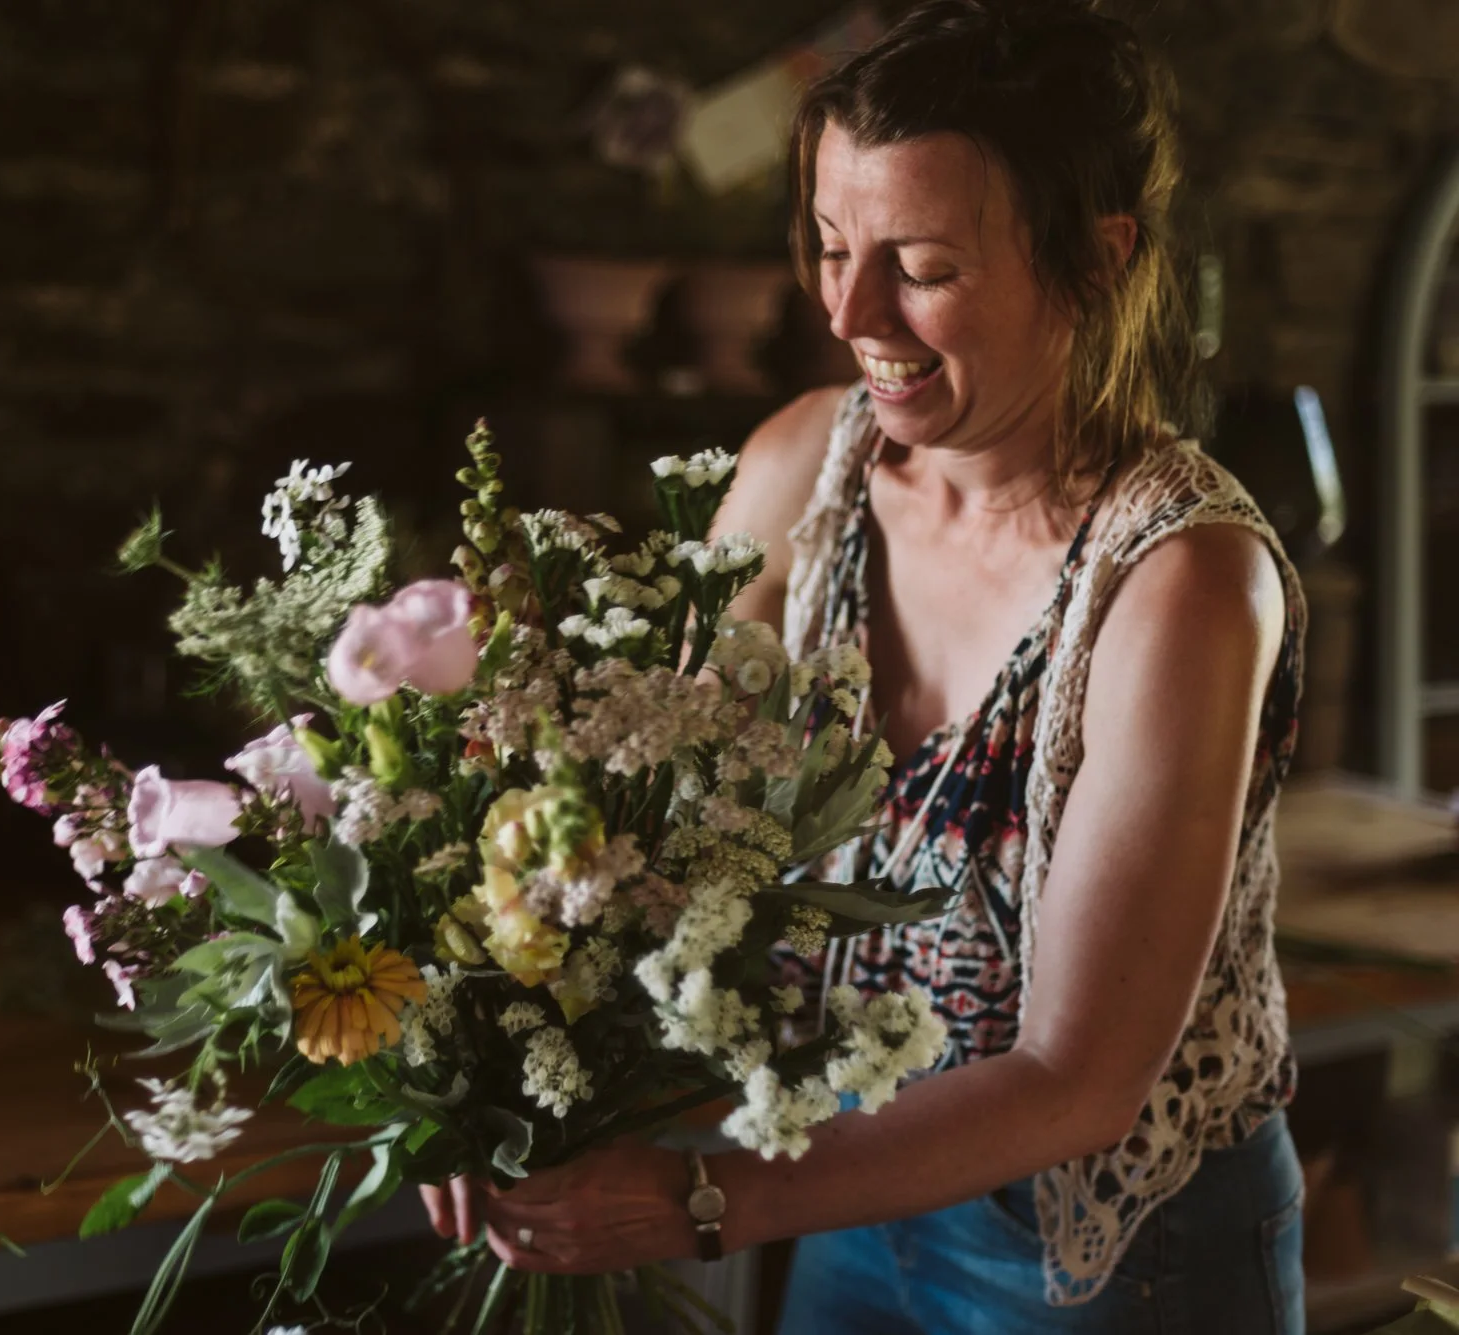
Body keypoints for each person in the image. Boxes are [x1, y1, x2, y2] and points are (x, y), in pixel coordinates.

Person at [421, 1, 1309, 1330]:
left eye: (921, 264)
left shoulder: (1181, 581)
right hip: (846, 1187)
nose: (845, 308)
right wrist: (471, 1059)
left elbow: (1081, 1076)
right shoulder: (802, 472)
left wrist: (696, 1195)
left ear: (1096, 259)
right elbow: (629, 836)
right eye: (832, 246)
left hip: (1118, 1253)